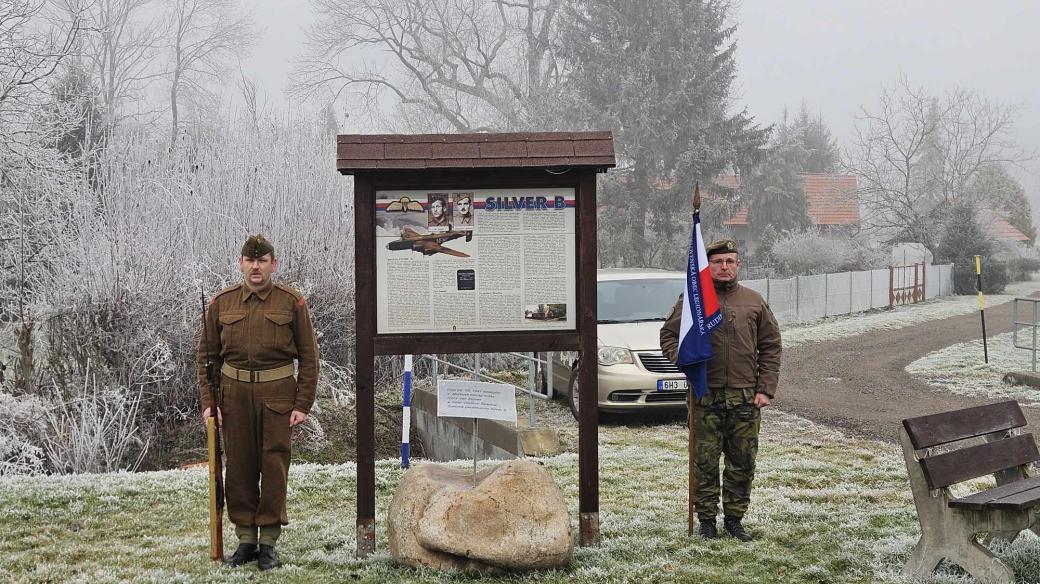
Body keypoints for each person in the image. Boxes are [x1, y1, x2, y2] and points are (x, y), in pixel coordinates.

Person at [197, 235, 320, 570]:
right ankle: (245, 540)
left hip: (278, 395)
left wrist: (302, 403)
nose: (255, 267)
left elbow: (309, 358)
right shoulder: (222, 303)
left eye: (262, 261)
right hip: (233, 397)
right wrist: (210, 402)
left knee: (274, 467)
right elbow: (206, 358)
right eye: (250, 261)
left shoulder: (291, 302)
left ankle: (268, 542)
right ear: (240, 264)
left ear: (272, 265)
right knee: (238, 468)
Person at [659, 239, 781, 542]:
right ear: (708, 266)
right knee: (705, 461)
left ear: (738, 265)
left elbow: (770, 346)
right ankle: (707, 521)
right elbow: (669, 336)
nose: (724, 267)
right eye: (717, 262)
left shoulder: (754, 301)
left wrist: (765, 388)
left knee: (742, 462)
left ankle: (735, 520)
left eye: (730, 261)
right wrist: (684, 361)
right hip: (705, 395)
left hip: (744, 397)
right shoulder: (694, 301)